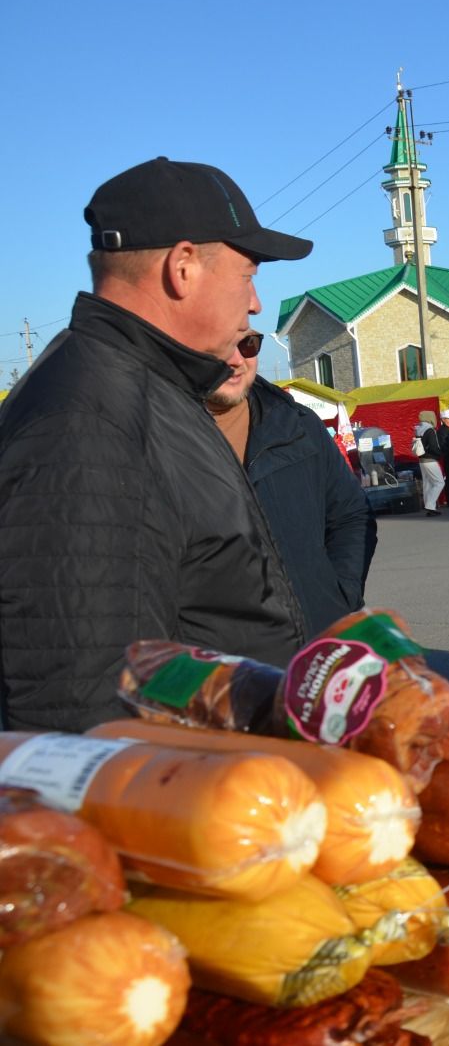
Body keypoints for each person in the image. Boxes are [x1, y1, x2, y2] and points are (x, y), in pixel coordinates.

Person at [0, 157, 313, 731]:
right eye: (248, 274)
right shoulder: (93, 418)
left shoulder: (147, 391)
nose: (255, 303)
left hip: (225, 786)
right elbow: (86, 704)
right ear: (183, 266)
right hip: (185, 804)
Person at [205, 330, 377, 634]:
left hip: (314, 649)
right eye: (220, 344)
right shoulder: (151, 434)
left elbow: (351, 515)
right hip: (217, 668)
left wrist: (338, 597)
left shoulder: (297, 424)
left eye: (247, 344)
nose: (236, 360)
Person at [414, 412, 446, 515]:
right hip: (430, 460)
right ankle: (430, 505)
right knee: (439, 482)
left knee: (427, 484)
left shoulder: (419, 430)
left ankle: (430, 508)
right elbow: (433, 446)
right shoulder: (430, 430)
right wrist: (440, 454)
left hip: (422, 460)